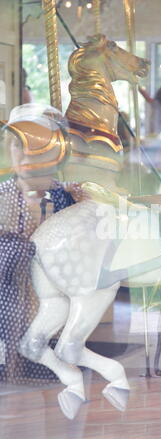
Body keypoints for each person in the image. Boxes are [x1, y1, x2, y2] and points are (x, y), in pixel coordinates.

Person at [0, 103, 76, 386]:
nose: (26, 154)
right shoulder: (3, 196)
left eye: (36, 145)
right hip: (11, 316)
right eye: (18, 145)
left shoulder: (64, 198)